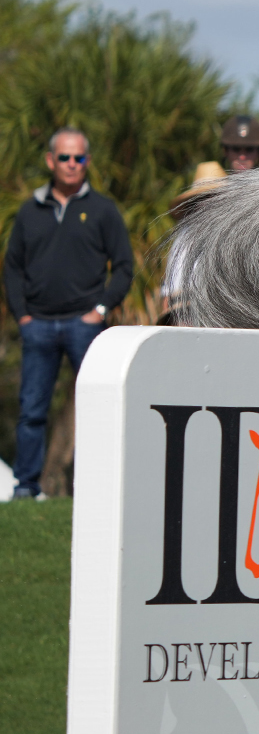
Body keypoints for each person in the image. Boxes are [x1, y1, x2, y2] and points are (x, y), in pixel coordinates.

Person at [3, 128, 135, 500]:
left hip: (85, 325)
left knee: (100, 405)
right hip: (38, 326)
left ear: (87, 162)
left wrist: (101, 309)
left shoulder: (103, 210)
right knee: (32, 411)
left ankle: (98, 488)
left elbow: (124, 266)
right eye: (65, 157)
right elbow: (13, 268)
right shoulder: (30, 211)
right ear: (51, 161)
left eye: (79, 158)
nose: (72, 164)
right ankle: (26, 488)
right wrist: (23, 316)